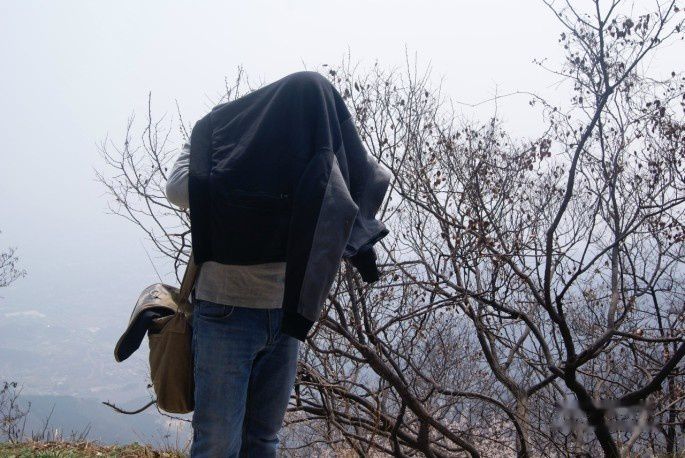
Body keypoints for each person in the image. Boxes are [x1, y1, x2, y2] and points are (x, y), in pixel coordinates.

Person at [165, 141, 299, 457]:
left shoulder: (303, 131)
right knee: (218, 443)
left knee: (263, 439)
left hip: (287, 310)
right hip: (224, 306)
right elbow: (178, 189)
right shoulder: (218, 130)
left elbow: (350, 183)